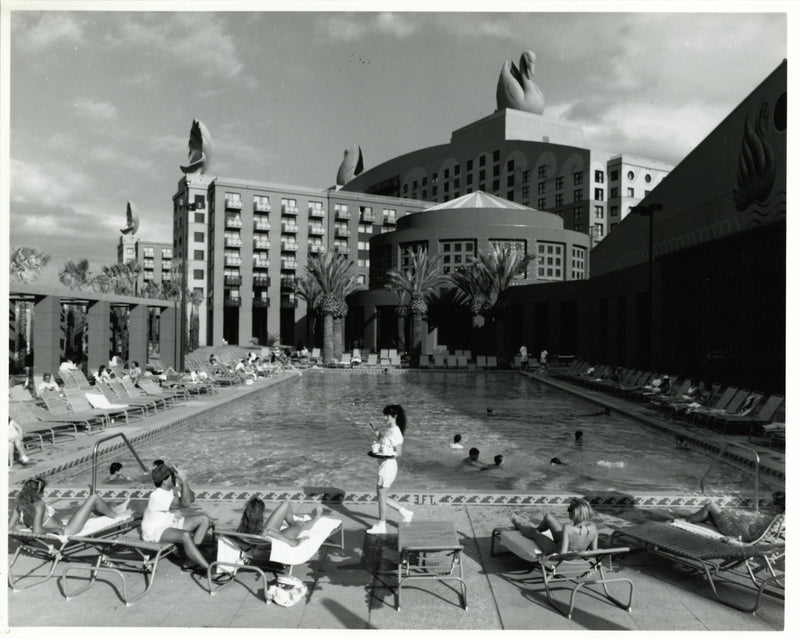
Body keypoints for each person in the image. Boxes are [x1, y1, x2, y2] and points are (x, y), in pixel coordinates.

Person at [141, 461, 212, 572]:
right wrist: (184, 480)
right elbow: (185, 504)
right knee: (185, 536)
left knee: (204, 519)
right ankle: (209, 569)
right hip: (155, 531)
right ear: (165, 480)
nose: (175, 477)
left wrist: (182, 484)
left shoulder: (171, 488)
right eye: (172, 475)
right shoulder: (157, 495)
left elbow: (191, 498)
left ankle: (191, 561)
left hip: (169, 523)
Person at [8, 477, 131, 535]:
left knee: (91, 511)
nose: (44, 493)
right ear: (38, 492)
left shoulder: (19, 504)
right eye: (43, 491)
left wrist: (23, 529)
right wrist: (55, 530)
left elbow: (10, 527)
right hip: (67, 530)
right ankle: (117, 515)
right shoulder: (38, 505)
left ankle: (115, 510)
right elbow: (37, 530)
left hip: (64, 525)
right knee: (94, 497)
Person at [366, 404, 413, 534]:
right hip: (384, 466)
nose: (385, 417)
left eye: (387, 415)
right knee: (381, 495)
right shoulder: (389, 429)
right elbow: (382, 440)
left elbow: (398, 452)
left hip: (388, 466)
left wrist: (385, 453)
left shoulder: (396, 432)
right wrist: (374, 429)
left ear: (395, 416)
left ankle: (382, 525)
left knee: (381, 496)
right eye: (384, 415)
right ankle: (405, 512)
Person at [671, 493, 784, 542]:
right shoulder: (780, 519)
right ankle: (692, 518)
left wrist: (738, 538)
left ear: (779, 506)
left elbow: (754, 536)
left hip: (735, 532)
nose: (771, 505)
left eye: (773, 503)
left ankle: (685, 521)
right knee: (715, 513)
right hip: (738, 529)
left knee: (711, 506)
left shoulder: (773, 519)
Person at [510, 497, 598, 554]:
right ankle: (537, 528)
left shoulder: (568, 528)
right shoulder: (593, 528)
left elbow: (562, 554)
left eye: (569, 509)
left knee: (534, 533)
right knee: (548, 517)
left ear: (575, 512)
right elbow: (594, 553)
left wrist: (546, 558)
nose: (568, 511)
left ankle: (517, 524)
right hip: (567, 542)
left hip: (556, 548)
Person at [236, 496, 324, 546]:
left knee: (286, 504)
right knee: (300, 525)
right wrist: (301, 540)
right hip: (271, 546)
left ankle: (293, 524)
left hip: (260, 544)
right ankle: (317, 517)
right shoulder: (268, 531)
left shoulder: (240, 531)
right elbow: (292, 543)